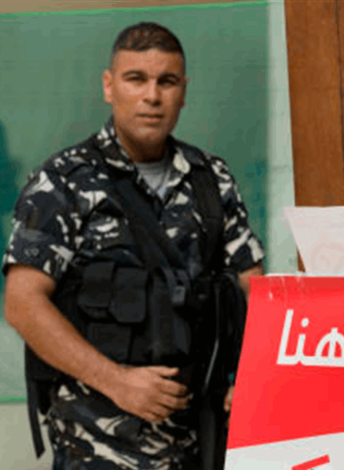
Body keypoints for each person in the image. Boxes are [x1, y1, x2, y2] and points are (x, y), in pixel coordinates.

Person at [2, 22, 264, 469]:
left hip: (200, 445)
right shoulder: (62, 182)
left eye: (167, 81)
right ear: (109, 87)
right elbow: (23, 304)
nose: (152, 96)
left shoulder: (211, 180)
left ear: (183, 91)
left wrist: (257, 375)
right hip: (98, 448)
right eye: (136, 79)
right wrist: (117, 381)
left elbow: (253, 289)